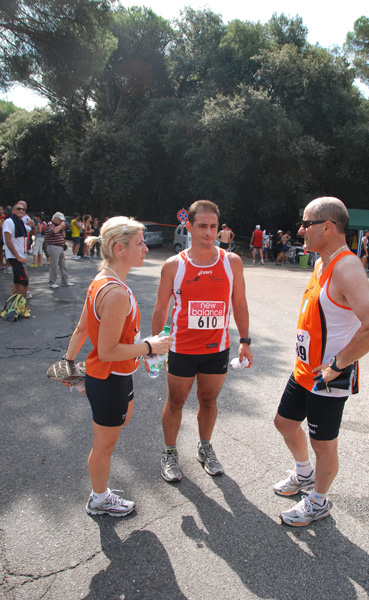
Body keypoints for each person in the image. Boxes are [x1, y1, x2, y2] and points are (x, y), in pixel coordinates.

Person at [273, 197, 369, 527]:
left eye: (306, 223)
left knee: (322, 444)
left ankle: (318, 501)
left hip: (328, 375)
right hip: (305, 369)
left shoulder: (347, 267)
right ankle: (304, 474)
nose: (300, 230)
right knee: (284, 422)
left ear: (327, 226)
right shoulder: (322, 261)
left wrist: (337, 365)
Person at [62, 216, 172, 516]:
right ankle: (99, 498)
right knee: (104, 446)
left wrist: (68, 364)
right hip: (109, 375)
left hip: (118, 374)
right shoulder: (116, 293)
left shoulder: (104, 280)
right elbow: (108, 350)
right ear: (120, 248)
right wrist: (150, 347)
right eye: (140, 243)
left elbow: (83, 328)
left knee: (120, 423)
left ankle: (90, 389)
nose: (146, 249)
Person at [152, 200, 253, 483]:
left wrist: (245, 340)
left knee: (208, 400)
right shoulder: (174, 265)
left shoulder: (231, 262)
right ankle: (170, 452)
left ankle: (205, 447)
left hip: (216, 349)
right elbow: (161, 307)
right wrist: (155, 346)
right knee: (176, 401)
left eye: (213, 226)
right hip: (181, 348)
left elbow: (240, 302)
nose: (208, 232)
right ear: (189, 227)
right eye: (202, 226)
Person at [2, 202, 31, 316]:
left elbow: (32, 231)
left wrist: (32, 224)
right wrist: (17, 256)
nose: (21, 211)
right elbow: (8, 240)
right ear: (13, 211)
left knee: (17, 281)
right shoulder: (9, 221)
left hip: (20, 255)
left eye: (23, 210)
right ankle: (22, 306)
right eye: (18, 209)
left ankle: (14, 304)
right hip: (15, 256)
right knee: (24, 280)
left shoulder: (20, 223)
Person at [45, 212, 74, 289]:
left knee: (63, 265)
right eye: (60, 220)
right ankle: (52, 282)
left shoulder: (58, 226)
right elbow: (53, 231)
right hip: (53, 246)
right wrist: (61, 225)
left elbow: (63, 236)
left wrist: (62, 228)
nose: (61, 222)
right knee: (53, 265)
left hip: (60, 247)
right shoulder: (50, 224)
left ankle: (65, 281)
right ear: (56, 218)